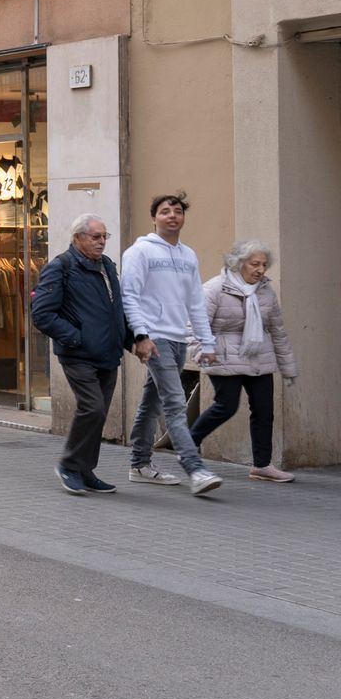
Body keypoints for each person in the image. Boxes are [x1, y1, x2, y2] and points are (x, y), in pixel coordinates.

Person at [121, 192, 222, 495]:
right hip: (155, 338)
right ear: (154, 218)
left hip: (178, 339)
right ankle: (195, 468)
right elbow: (130, 296)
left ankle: (139, 464)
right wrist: (141, 335)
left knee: (152, 401)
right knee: (175, 404)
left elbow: (195, 304)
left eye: (177, 211)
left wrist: (207, 342)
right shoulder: (140, 252)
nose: (172, 216)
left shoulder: (188, 255)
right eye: (165, 211)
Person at [32, 215, 135, 495]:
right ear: (77, 238)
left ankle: (85, 470)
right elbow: (41, 314)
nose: (102, 242)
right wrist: (76, 337)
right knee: (93, 407)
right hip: (78, 354)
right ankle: (68, 464)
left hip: (108, 352)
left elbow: (117, 309)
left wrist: (132, 341)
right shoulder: (61, 267)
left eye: (104, 236)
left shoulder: (108, 267)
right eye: (95, 237)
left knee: (98, 415)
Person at [189, 240, 298, 483]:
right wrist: (202, 351)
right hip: (223, 354)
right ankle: (188, 445)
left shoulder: (266, 291)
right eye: (255, 264)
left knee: (264, 411)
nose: (260, 269)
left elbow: (277, 330)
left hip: (258, 354)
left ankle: (261, 466)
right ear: (238, 264)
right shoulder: (215, 289)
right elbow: (195, 325)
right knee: (226, 406)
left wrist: (288, 367)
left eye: (264, 264)